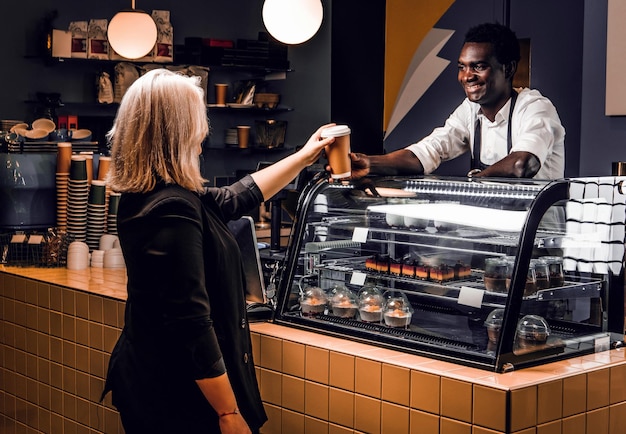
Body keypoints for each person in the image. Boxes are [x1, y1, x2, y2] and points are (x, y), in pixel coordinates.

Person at [100, 68, 336, 434]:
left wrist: (305, 156)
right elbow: (190, 322)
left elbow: (235, 197)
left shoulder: (155, 195)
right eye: (197, 120)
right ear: (174, 131)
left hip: (159, 383)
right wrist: (228, 412)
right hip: (177, 397)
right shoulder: (169, 209)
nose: (203, 132)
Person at [349, 22, 565, 180]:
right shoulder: (470, 110)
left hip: (538, 235)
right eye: (462, 67)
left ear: (507, 69)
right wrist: (369, 163)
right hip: (492, 232)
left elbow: (523, 164)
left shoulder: (534, 107)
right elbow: (428, 152)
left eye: (479, 66)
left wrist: (475, 181)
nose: (467, 76)